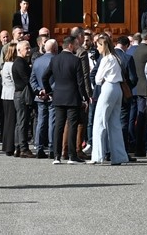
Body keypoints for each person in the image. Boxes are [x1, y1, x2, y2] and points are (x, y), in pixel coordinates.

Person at [44, 33, 87, 164]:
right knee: (72, 126)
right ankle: (71, 155)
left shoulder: (54, 59)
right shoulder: (76, 60)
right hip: (73, 97)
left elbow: (44, 77)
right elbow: (80, 82)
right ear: (70, 45)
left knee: (59, 126)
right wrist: (84, 97)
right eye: (75, 45)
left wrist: (49, 91)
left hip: (58, 96)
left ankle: (57, 155)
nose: (76, 47)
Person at [90, 36, 130, 165]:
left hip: (108, 87)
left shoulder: (106, 59)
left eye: (98, 45)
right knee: (114, 124)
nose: (97, 48)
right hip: (118, 88)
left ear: (103, 45)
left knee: (99, 122)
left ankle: (97, 156)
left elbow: (97, 79)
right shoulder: (117, 57)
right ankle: (119, 156)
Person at [30, 38, 56, 158]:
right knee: (52, 122)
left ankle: (39, 147)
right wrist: (49, 91)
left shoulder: (37, 61)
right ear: (55, 48)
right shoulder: (56, 60)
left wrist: (39, 91)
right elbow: (58, 79)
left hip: (40, 96)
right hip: (52, 95)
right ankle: (52, 148)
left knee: (41, 121)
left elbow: (32, 79)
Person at [11, 39, 33, 157]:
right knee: (22, 122)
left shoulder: (21, 62)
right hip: (21, 95)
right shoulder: (20, 63)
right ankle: (23, 148)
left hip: (20, 94)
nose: (29, 50)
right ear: (19, 50)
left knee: (20, 122)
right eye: (27, 48)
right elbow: (27, 79)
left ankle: (18, 147)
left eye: (29, 48)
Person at [0, 42, 19, 156]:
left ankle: (6, 144)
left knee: (8, 121)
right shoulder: (11, 65)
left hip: (5, 94)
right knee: (12, 121)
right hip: (12, 94)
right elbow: (14, 79)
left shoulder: (5, 65)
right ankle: (10, 146)